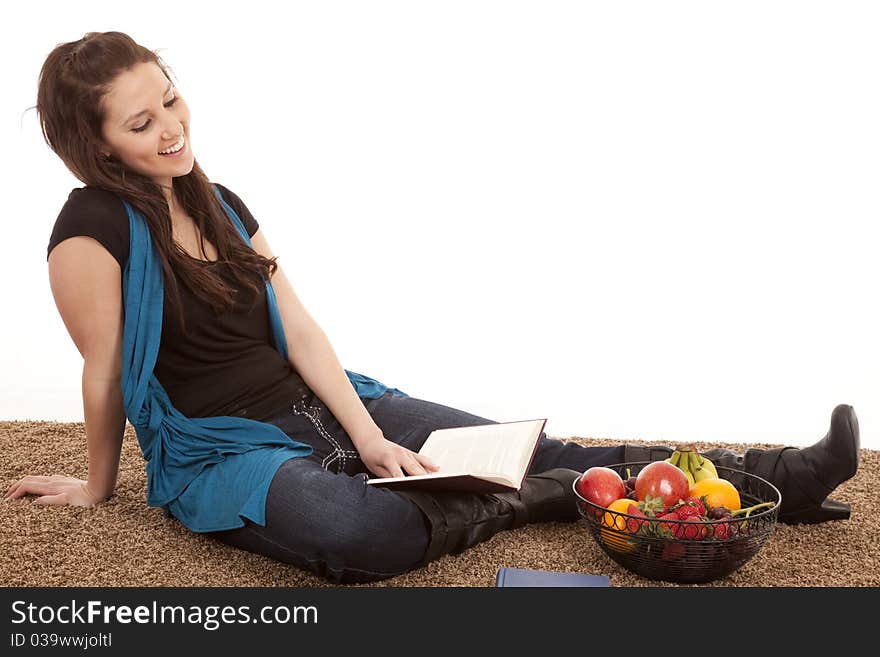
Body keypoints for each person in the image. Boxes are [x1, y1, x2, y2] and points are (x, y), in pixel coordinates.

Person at [5, 32, 860, 584]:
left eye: (172, 99)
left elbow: (297, 326)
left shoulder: (218, 197)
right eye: (141, 121)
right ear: (97, 146)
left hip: (328, 405)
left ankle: (775, 478)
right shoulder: (90, 227)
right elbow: (106, 368)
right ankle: (544, 496)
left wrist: (371, 433)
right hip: (221, 448)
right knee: (361, 532)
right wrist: (100, 485)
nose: (171, 128)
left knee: (528, 442)